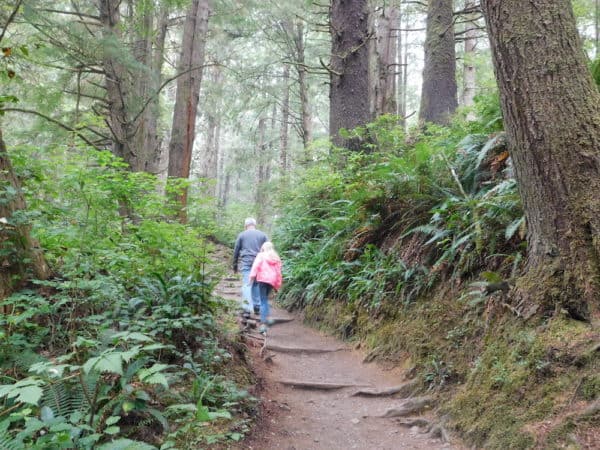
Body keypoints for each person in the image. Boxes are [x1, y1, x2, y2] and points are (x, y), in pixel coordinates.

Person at [232, 217, 268, 314]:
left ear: (245, 225)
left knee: (247, 284)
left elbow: (236, 250)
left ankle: (247, 308)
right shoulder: (263, 235)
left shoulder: (242, 235)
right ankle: (257, 306)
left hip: (247, 262)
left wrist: (234, 265)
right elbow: (268, 250)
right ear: (255, 225)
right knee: (256, 284)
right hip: (259, 263)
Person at [249, 241, 282, 333]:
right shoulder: (276, 257)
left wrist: (251, 277)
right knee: (265, 299)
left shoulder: (261, 255)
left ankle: (263, 323)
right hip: (272, 281)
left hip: (262, 279)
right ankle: (268, 318)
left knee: (263, 300)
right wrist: (277, 285)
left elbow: (255, 266)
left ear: (264, 248)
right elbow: (279, 273)